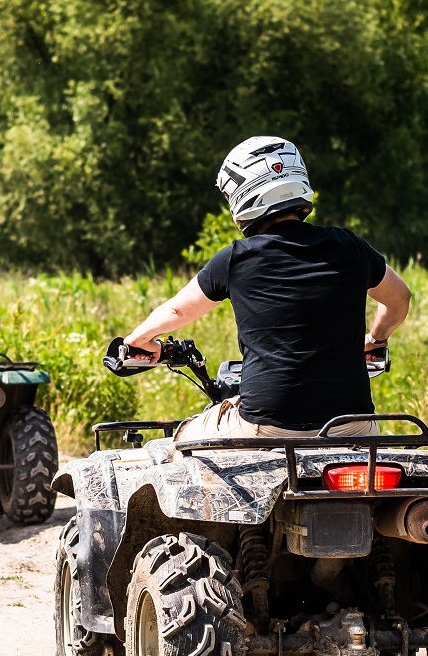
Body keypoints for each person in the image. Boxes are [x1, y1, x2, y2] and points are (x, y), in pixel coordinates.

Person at [121, 135, 411, 443]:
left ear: (241, 193)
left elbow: (178, 310)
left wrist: (137, 340)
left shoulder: (236, 258)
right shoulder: (350, 246)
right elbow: (400, 298)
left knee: (179, 440)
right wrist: (376, 339)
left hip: (268, 426)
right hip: (354, 425)